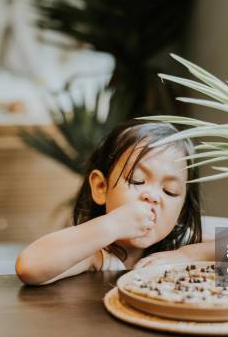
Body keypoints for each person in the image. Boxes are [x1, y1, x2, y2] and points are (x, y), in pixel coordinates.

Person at [16, 121, 215, 285]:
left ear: (181, 212)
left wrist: (187, 255)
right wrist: (112, 225)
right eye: (137, 180)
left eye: (169, 192)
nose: (153, 196)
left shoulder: (177, 244)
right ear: (101, 188)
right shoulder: (98, 254)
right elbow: (29, 266)